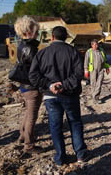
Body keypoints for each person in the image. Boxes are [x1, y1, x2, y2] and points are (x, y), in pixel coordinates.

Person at [29, 26, 89, 166]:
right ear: (66, 37)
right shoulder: (73, 52)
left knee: (55, 126)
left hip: (51, 96)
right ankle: (80, 155)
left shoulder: (42, 53)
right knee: (75, 123)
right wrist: (64, 85)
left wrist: (50, 85)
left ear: (52, 37)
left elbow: (33, 76)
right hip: (70, 95)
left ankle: (60, 158)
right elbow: (79, 73)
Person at [14, 15, 43, 153]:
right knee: (32, 115)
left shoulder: (21, 45)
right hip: (32, 87)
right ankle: (29, 145)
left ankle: (22, 135)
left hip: (23, 86)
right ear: (28, 31)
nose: (37, 34)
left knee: (28, 113)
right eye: (36, 31)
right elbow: (35, 70)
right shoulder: (31, 48)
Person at [84, 39, 110, 104]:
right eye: (94, 45)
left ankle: (95, 97)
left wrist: (107, 68)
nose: (96, 46)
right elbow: (86, 61)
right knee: (93, 84)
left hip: (101, 70)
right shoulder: (89, 52)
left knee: (99, 83)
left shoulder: (101, 51)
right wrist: (86, 70)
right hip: (93, 70)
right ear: (91, 45)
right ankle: (95, 98)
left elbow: (105, 60)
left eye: (97, 44)